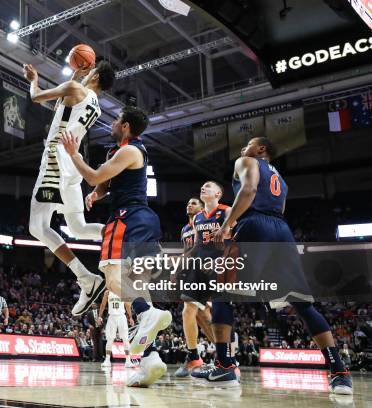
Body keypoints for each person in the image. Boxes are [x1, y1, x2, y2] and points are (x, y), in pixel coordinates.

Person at [192, 137, 353, 395]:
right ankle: (339, 371)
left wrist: (227, 224)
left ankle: (223, 366)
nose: (244, 148)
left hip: (254, 224)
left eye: (249, 144)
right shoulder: (283, 182)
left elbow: (248, 191)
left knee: (222, 292)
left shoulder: (246, 161)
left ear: (261, 149)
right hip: (282, 230)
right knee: (302, 304)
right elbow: (280, 209)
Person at [62, 106, 172, 387]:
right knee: (136, 286)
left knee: (113, 279)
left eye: (116, 119)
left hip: (127, 218)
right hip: (142, 220)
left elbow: (94, 177)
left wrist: (74, 154)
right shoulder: (120, 152)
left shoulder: (130, 150)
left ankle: (148, 314)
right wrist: (96, 195)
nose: (112, 123)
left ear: (125, 126)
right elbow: (105, 183)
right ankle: (150, 360)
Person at [23, 61, 115, 316]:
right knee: (78, 228)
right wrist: (76, 74)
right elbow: (60, 111)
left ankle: (87, 278)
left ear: (94, 76)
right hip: (74, 163)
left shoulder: (75, 88)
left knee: (37, 227)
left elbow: (36, 96)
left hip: (55, 160)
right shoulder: (93, 103)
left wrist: (34, 78)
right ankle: (121, 235)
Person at [176, 184, 228, 377]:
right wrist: (179, 269)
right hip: (194, 270)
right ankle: (197, 356)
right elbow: (189, 250)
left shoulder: (221, 214)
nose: (190, 205)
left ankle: (224, 355)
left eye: (193, 203)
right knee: (193, 313)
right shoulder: (186, 228)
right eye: (188, 203)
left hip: (215, 268)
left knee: (205, 315)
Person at [98, 290, 135, 368]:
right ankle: (107, 360)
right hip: (112, 316)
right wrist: (99, 316)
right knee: (110, 339)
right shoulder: (107, 292)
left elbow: (127, 305)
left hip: (122, 316)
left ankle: (128, 361)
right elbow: (103, 304)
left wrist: (130, 317)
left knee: (125, 339)